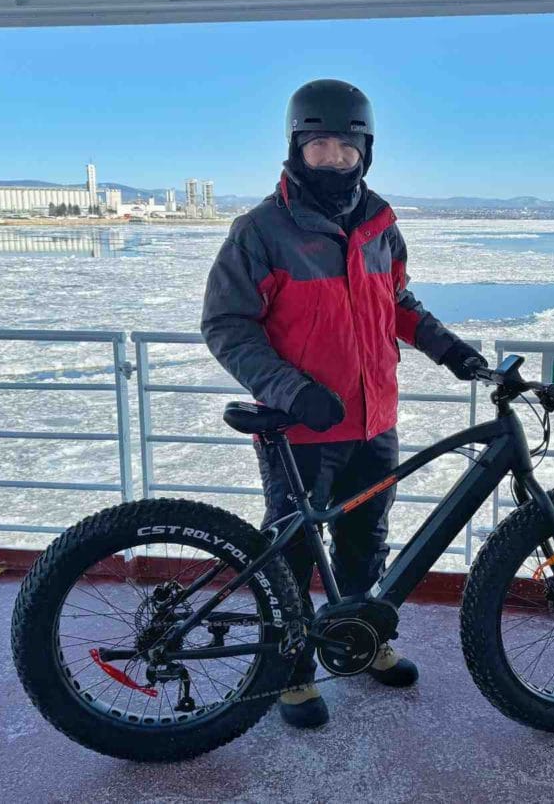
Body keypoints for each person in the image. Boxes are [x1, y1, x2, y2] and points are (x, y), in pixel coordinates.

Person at [200, 79, 487, 728]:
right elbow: (227, 324)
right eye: (318, 145)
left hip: (373, 422)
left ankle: (357, 641)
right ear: (296, 147)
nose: (332, 158)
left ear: (366, 151)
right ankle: (292, 671)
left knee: (364, 543)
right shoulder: (262, 231)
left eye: (344, 147)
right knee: (295, 554)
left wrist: (449, 349)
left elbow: (398, 305)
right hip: (302, 430)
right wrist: (292, 390)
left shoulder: (380, 222)